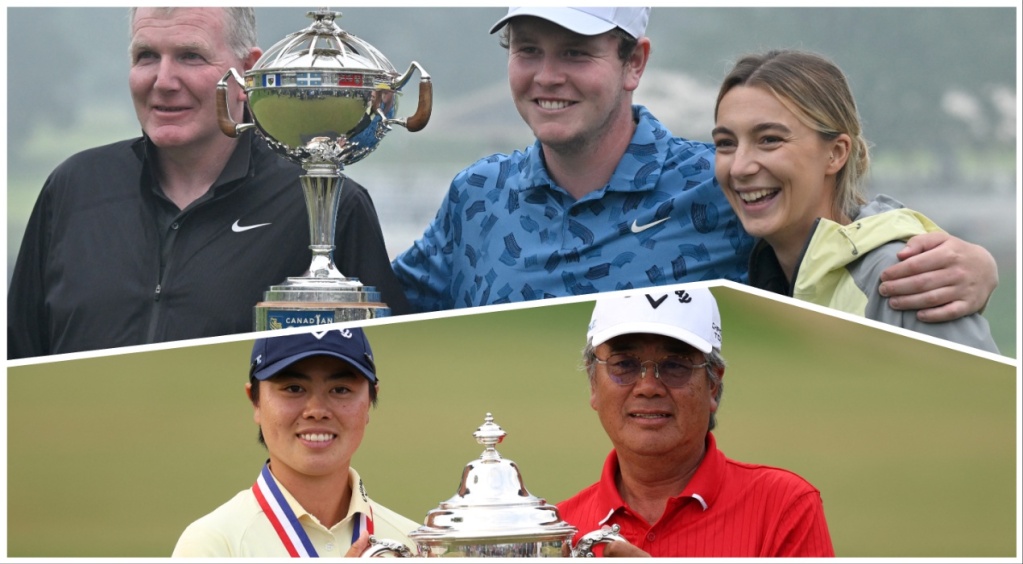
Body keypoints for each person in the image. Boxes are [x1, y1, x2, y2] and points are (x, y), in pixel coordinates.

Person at [390, 7, 998, 325]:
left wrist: (975, 262)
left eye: (576, 53)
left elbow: (844, 233)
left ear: (634, 63)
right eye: (528, 51)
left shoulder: (721, 184)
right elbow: (381, 307)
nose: (548, 76)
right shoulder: (477, 196)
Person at [6, 7, 409, 360]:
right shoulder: (73, 189)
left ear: (247, 72)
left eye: (190, 56)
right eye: (146, 56)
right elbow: (18, 362)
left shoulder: (330, 205)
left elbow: (380, 370)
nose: (163, 80)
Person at [711, 50, 998, 353]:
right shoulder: (741, 269)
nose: (740, 167)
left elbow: (992, 398)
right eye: (725, 143)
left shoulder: (907, 277)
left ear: (836, 153)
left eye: (769, 139)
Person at [557, 286, 834, 557]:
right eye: (624, 364)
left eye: (676, 365)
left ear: (713, 384)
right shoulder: (557, 530)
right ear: (594, 383)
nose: (648, 386)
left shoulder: (783, 506)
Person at [172, 328, 419, 557]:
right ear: (255, 401)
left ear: (370, 400)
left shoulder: (415, 544)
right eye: (293, 388)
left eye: (341, 389)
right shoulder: (212, 545)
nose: (317, 410)